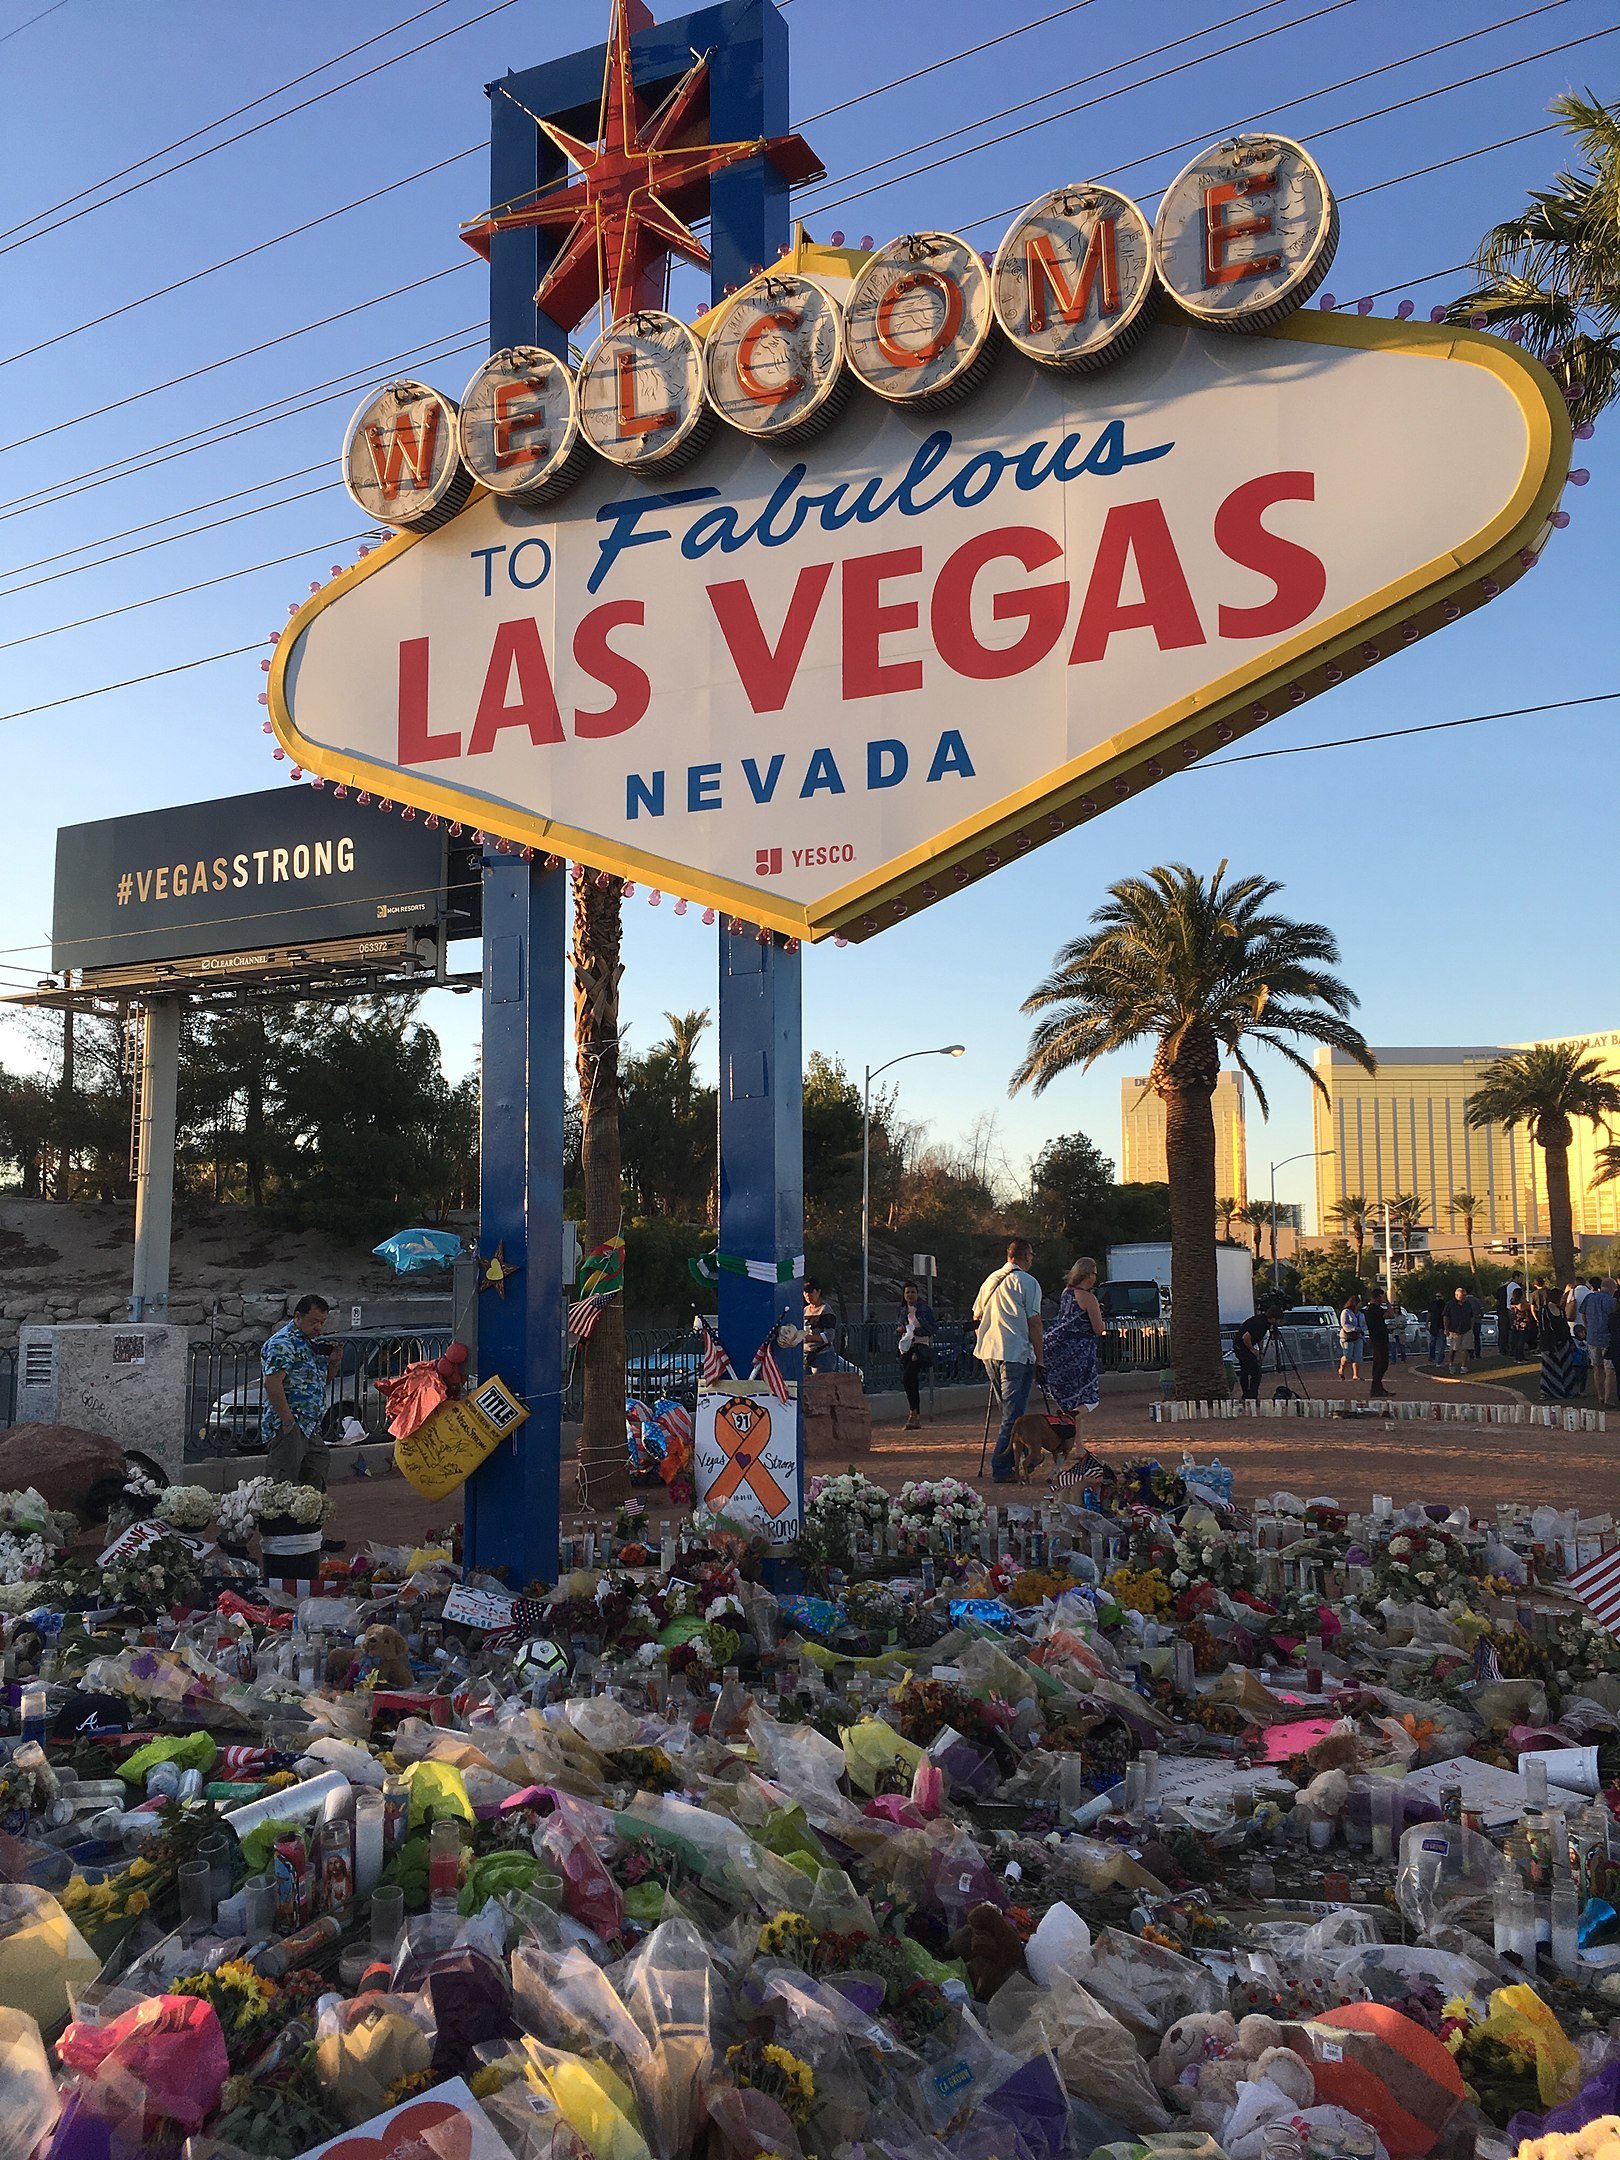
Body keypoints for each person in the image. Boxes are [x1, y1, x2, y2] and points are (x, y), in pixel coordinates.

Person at [973, 1237, 1044, 1485]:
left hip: (989, 1352)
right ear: (1026, 1256)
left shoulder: (990, 1280)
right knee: (1013, 1416)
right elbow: (1034, 1323)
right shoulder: (1028, 1282)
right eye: (1032, 1255)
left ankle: (1024, 1457)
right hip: (1015, 1353)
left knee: (1009, 1412)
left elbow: (976, 1316)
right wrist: (1041, 1359)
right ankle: (1003, 1467)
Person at [261, 1293, 340, 1488]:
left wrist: (335, 1363)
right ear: (297, 1316)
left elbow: (322, 1382)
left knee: (318, 1464)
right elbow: (272, 1384)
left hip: (309, 1425)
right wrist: (288, 1421)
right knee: (281, 1481)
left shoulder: (310, 1344)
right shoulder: (282, 1343)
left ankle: (307, 1514)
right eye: (314, 1321)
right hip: (290, 1424)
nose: (318, 1328)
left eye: (322, 1322)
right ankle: (274, 1517)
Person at [1042, 1258, 1104, 1417]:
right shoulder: (1089, 1298)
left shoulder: (1066, 1293)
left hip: (1058, 1350)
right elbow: (1098, 1328)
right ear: (1089, 1275)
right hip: (1080, 1353)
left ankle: (1076, 1440)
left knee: (1070, 1399)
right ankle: (1070, 1419)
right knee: (1089, 1399)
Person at [896, 1281, 935, 1430]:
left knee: (907, 1377)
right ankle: (914, 1414)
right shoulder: (903, 1310)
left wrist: (915, 1332)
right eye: (907, 1293)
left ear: (917, 1294)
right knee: (911, 1382)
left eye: (912, 1292)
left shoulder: (924, 1309)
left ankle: (913, 1413)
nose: (910, 1295)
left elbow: (931, 1328)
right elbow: (900, 1325)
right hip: (906, 1348)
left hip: (919, 1346)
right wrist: (901, 1330)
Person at [1576, 1276, 1618, 1408]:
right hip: (1607, 1338)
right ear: (1612, 1288)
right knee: (1609, 1370)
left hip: (1592, 1337)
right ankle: (1608, 1399)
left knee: (1597, 1368)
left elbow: (1582, 1314)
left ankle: (1600, 1396)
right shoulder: (1612, 1301)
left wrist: (1588, 1327)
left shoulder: (1589, 1298)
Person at [1536, 1282, 1578, 1399]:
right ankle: (1547, 1392)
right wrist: (1548, 1345)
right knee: (1549, 1369)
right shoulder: (1544, 1311)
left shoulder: (1561, 1310)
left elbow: (1565, 1326)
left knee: (1566, 1368)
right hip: (1550, 1345)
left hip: (1563, 1343)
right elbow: (1544, 1329)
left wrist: (1570, 1341)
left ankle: (1568, 1390)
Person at [1233, 1308, 1274, 1403]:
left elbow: (1260, 1337)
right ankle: (1251, 1396)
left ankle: (1247, 1395)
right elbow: (1246, 1337)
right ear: (1273, 1318)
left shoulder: (1265, 1324)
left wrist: (1261, 1352)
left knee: (1245, 1372)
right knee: (1255, 1373)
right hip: (1242, 1347)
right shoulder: (1260, 1323)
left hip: (1243, 1347)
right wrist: (1252, 1349)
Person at [802, 1282, 837, 1375]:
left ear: (818, 1292)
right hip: (805, 1355)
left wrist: (809, 1337)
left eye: (810, 1292)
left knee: (819, 1384)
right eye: (805, 1292)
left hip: (822, 1355)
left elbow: (829, 1336)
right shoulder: (804, 1310)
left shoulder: (826, 1310)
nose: (807, 1295)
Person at [1443, 1284, 1478, 1376]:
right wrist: (1446, 1329)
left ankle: (1463, 1366)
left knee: (1465, 1348)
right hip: (1454, 1330)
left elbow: (1471, 1317)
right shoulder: (1450, 1304)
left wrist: (1471, 1328)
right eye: (1462, 1295)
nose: (1464, 1297)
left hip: (1466, 1329)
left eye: (1465, 1295)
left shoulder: (1468, 1304)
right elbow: (1446, 1317)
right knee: (1453, 1349)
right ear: (1457, 1296)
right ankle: (1451, 1364)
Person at [1364, 1288, 1392, 1397]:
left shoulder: (1375, 1309)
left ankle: (1377, 1387)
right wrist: (1388, 1303)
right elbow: (1390, 1315)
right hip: (1377, 1339)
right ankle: (1375, 1388)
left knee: (1379, 1363)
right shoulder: (1373, 1309)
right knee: (1381, 1364)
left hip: (1379, 1338)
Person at [1337, 1293, 1365, 1381]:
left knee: (1358, 1356)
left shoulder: (1361, 1314)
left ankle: (1355, 1375)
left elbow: (1364, 1324)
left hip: (1358, 1336)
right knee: (1347, 1356)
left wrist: (1362, 1330)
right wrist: (1354, 1328)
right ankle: (1341, 1369)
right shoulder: (1345, 1312)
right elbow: (1344, 1324)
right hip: (1347, 1337)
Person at [1427, 1293, 1448, 1367]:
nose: (1438, 1298)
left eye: (1439, 1296)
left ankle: (1439, 1360)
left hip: (1441, 1326)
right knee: (1434, 1343)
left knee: (1440, 1345)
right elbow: (1429, 1314)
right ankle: (1433, 1357)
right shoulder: (1433, 1304)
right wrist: (1427, 1323)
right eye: (1437, 1296)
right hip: (1434, 1326)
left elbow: (1446, 1316)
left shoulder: (1445, 1304)